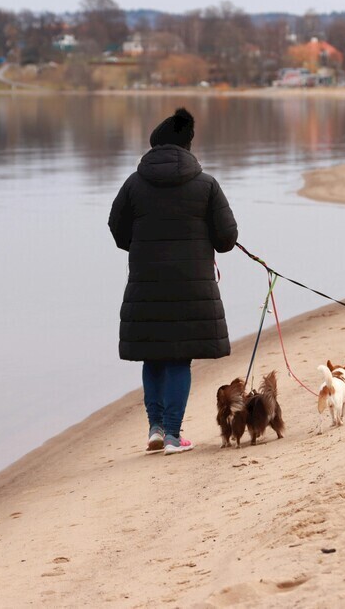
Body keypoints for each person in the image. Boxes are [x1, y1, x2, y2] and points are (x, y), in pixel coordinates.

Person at [108, 107, 238, 455]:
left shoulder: (134, 184)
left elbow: (117, 230)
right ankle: (172, 436)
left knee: (153, 356)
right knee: (179, 358)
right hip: (191, 285)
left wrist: (142, 245)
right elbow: (226, 239)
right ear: (187, 146)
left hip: (146, 283)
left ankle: (155, 427)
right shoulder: (206, 184)